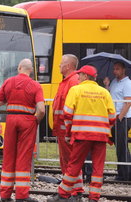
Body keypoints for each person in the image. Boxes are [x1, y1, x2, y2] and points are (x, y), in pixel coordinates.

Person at [47, 65, 116, 202]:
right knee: (98, 168)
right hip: (100, 137)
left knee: (74, 164)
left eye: (79, 75)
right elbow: (112, 117)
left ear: (85, 76)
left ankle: (62, 194)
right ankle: (94, 198)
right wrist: (105, 129)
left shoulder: (76, 90)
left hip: (81, 135)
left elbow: (67, 114)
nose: (77, 77)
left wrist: (68, 134)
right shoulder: (104, 92)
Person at [0, 58, 45, 202]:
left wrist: (10, 99)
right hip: (27, 121)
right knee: (24, 156)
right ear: (31, 70)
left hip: (11, 119)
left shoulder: (9, 82)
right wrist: (36, 120)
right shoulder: (35, 85)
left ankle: (5, 195)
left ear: (19, 67)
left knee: (9, 155)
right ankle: (22, 196)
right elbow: (41, 109)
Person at [52, 54, 84, 199]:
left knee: (71, 161)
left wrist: (69, 130)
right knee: (67, 161)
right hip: (63, 128)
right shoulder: (67, 81)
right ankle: (72, 190)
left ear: (69, 66)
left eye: (61, 63)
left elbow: (73, 107)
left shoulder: (73, 82)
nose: (59, 66)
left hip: (67, 130)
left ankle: (73, 192)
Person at [103, 62, 131, 181]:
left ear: (123, 70)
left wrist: (119, 118)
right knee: (120, 146)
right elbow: (110, 97)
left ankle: (124, 175)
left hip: (123, 118)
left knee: (121, 146)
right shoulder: (114, 81)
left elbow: (128, 102)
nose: (115, 71)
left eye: (117, 69)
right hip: (116, 118)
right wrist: (107, 86)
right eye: (114, 69)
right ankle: (124, 173)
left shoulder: (127, 83)